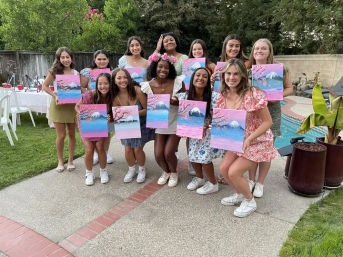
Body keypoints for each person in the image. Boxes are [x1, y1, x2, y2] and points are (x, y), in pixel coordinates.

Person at [217, 58, 278, 217]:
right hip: (238, 139)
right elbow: (226, 120)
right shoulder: (223, 95)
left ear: (243, 76)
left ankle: (250, 201)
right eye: (228, 73)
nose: (231, 77)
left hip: (257, 141)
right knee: (224, 169)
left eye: (236, 74)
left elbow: (268, 122)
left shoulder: (253, 94)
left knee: (233, 172)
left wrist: (250, 139)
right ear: (223, 75)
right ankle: (239, 194)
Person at [247, 38, 293, 197]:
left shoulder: (280, 69)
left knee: (266, 150)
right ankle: (251, 180)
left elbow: (289, 88)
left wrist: (277, 96)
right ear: (253, 52)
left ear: (269, 51)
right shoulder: (249, 71)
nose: (259, 51)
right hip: (253, 116)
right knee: (252, 150)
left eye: (263, 48)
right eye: (256, 48)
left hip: (272, 114)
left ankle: (260, 183)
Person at [141, 52, 185, 187]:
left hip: (175, 120)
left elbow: (185, 102)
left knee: (168, 152)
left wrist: (177, 102)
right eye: (160, 67)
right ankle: (165, 171)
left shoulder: (178, 82)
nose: (163, 70)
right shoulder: (147, 86)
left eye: (166, 67)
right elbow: (146, 105)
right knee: (158, 154)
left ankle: (174, 172)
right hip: (159, 122)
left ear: (170, 69)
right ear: (155, 67)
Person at [177, 68, 223, 194]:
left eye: (204, 77)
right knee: (192, 156)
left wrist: (208, 125)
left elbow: (220, 116)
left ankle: (213, 183)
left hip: (208, 131)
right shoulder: (186, 96)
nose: (200, 78)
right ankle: (200, 178)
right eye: (198, 75)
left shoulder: (214, 97)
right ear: (192, 78)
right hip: (192, 132)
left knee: (204, 158)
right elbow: (172, 101)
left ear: (208, 81)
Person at [112, 68, 155, 183]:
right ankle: (131, 169)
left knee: (137, 149)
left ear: (129, 79)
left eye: (125, 77)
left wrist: (133, 113)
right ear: (114, 80)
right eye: (119, 78)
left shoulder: (137, 90)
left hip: (142, 124)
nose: (123, 80)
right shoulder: (114, 96)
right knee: (127, 149)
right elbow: (116, 113)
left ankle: (141, 169)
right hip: (126, 124)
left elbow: (148, 109)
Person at [42, 47, 77, 173]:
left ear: (71, 58)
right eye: (63, 57)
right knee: (61, 135)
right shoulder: (54, 72)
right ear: (59, 58)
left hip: (71, 106)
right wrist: (55, 95)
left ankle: (71, 161)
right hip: (58, 105)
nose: (66, 59)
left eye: (68, 57)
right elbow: (44, 86)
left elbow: (78, 90)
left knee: (72, 134)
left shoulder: (75, 73)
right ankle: (61, 161)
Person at [75, 73, 113, 186]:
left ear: (110, 84)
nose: (103, 86)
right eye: (100, 84)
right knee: (89, 149)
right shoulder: (89, 94)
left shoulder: (112, 97)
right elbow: (77, 106)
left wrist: (109, 117)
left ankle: (103, 171)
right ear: (96, 85)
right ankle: (89, 173)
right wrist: (81, 113)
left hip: (100, 123)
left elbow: (113, 113)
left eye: (106, 83)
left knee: (100, 147)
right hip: (86, 122)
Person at [80, 50, 114, 165]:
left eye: (104, 59)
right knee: (94, 132)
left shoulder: (112, 73)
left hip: (107, 104)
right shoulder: (88, 72)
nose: (102, 61)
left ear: (108, 60)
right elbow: (82, 87)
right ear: (94, 60)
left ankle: (106, 151)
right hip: (92, 105)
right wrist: (91, 94)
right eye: (99, 59)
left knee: (107, 131)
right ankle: (95, 153)